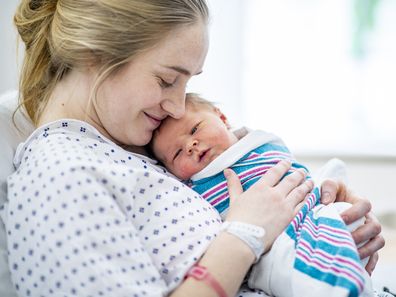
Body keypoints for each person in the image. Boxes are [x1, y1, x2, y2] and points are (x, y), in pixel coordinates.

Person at [0, 0, 384, 296]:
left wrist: (320, 224)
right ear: (93, 55)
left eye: (187, 83)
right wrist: (245, 234)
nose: (178, 107)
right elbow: (239, 237)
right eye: (167, 79)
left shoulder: (131, 149)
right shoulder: (62, 176)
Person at [150, 93, 374, 296]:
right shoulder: (192, 190)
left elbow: (297, 172)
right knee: (292, 269)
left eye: (194, 129)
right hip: (274, 243)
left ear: (223, 118)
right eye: (177, 152)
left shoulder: (258, 144)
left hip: (313, 209)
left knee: (347, 215)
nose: (191, 145)